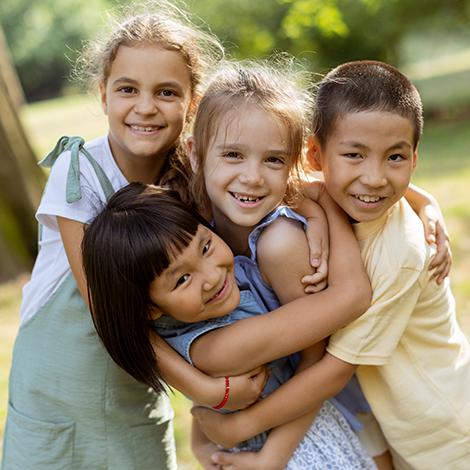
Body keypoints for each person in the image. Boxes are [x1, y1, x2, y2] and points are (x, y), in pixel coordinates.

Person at [0, 4, 258, 469]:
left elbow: (290, 178)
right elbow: (107, 310)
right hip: (60, 386)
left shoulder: (196, 169)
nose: (145, 106)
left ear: (192, 102)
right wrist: (201, 388)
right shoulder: (79, 172)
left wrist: (418, 204)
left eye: (165, 92)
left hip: (136, 384)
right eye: (127, 89)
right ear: (102, 95)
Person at [191, 60, 470, 470]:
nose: (373, 178)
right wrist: (421, 199)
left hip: (441, 435)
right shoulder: (325, 197)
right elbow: (316, 181)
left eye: (395, 157)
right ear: (315, 156)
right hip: (380, 418)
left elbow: (332, 371)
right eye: (355, 154)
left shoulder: (402, 255)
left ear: (413, 161)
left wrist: (241, 429)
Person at [82, 182, 377, 470]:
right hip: (301, 453)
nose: (211, 276)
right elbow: (352, 296)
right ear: (150, 308)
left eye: (206, 247)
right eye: (182, 279)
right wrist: (326, 203)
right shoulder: (218, 350)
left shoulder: (198, 309)